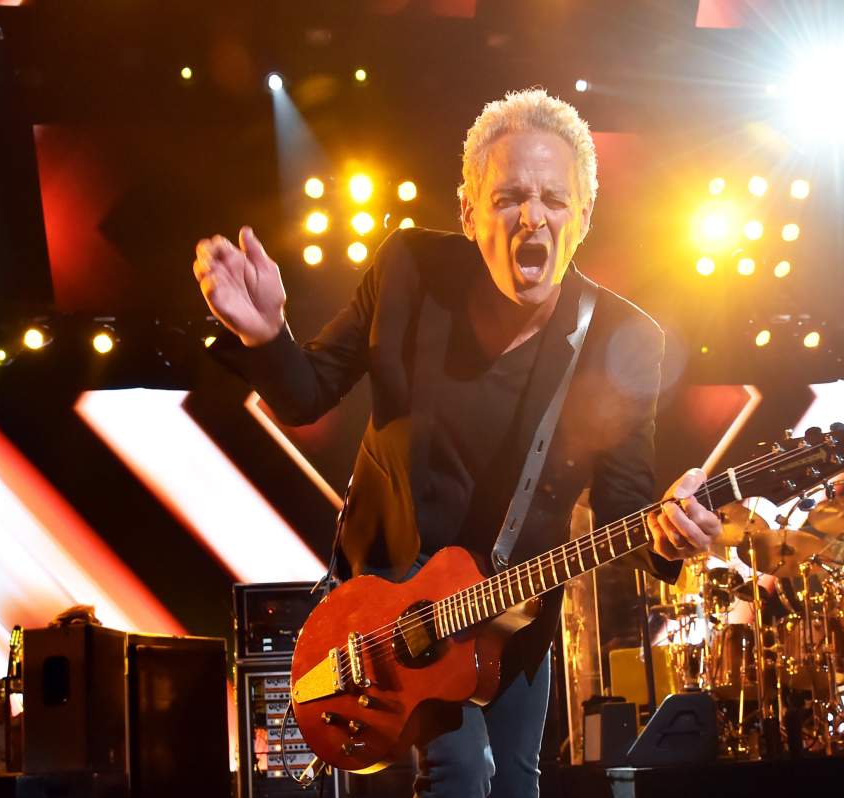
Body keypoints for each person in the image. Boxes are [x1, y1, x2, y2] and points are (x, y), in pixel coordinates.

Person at [192, 88, 721, 797]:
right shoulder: (409, 270)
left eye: (554, 200)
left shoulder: (624, 339)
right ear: (470, 214)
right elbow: (308, 391)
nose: (533, 215)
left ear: (584, 217)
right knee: (463, 772)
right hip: (389, 595)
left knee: (517, 787)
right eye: (508, 197)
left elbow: (628, 503)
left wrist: (672, 532)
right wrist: (264, 336)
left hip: (515, 611)